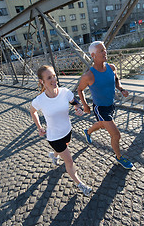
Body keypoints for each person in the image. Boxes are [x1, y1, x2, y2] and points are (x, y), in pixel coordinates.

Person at [30, 65, 92, 196]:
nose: (54, 80)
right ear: (42, 81)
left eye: (54, 76)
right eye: (49, 78)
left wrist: (78, 108)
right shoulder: (40, 100)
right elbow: (32, 111)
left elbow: (75, 102)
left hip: (67, 131)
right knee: (69, 161)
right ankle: (80, 184)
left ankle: (54, 155)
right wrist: (39, 127)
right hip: (54, 137)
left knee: (62, 149)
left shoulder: (65, 92)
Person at [77, 41, 135, 170]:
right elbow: (79, 90)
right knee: (116, 135)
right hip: (100, 108)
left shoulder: (112, 67)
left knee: (102, 124)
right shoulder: (89, 75)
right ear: (93, 55)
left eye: (105, 50)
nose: (105, 52)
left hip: (111, 105)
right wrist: (85, 106)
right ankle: (119, 157)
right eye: (101, 51)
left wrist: (121, 89)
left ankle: (87, 131)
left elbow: (116, 80)